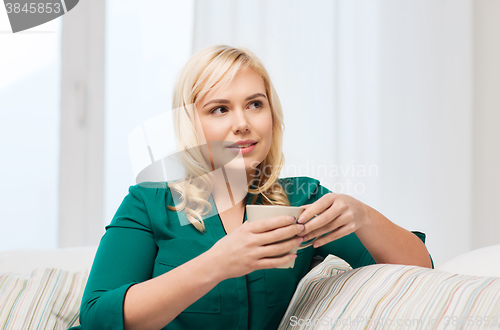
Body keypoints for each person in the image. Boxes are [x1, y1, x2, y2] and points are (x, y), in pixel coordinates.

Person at [70, 45, 434, 330]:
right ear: (190, 125)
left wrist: (363, 216)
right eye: (219, 109)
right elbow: (98, 316)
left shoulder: (301, 202)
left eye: (254, 104)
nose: (242, 123)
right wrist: (217, 263)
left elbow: (419, 269)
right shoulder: (148, 204)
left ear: (271, 116)